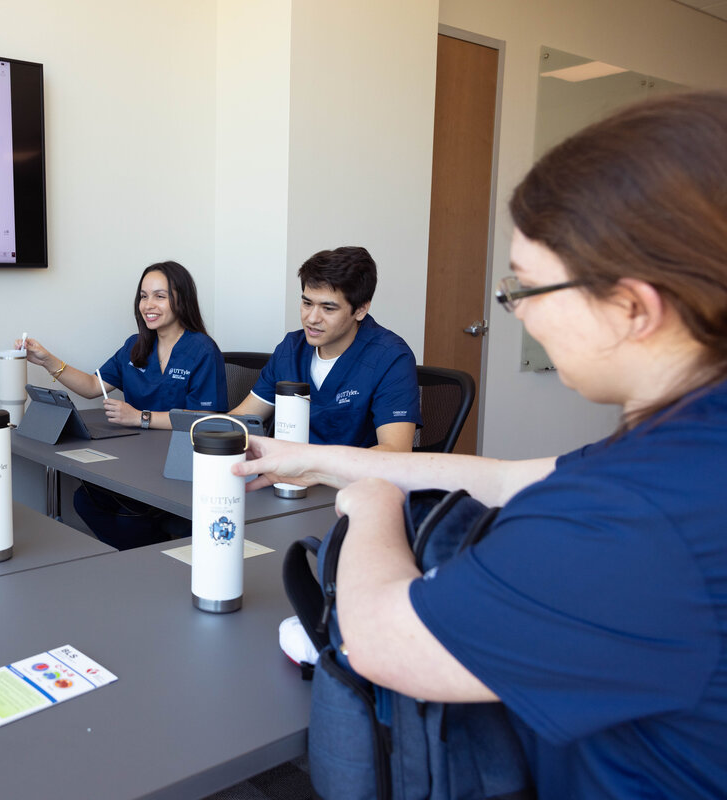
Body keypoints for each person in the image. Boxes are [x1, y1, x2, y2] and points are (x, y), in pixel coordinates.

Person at [235, 91, 727, 798]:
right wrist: (311, 458)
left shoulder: (637, 520)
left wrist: (372, 501)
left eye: (526, 287)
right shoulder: (686, 446)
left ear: (631, 306)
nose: (517, 311)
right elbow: (503, 478)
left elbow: (380, 638)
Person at [20, 261, 227, 548]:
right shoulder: (136, 345)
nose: (148, 305)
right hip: (136, 460)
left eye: (159, 296)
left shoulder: (202, 350)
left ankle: (158, 555)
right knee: (86, 499)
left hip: (180, 466)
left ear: (182, 299)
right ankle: (149, 555)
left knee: (126, 514)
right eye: (143, 296)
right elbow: (94, 386)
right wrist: (48, 361)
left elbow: (203, 418)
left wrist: (140, 417)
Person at [230, 247, 420, 451]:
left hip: (353, 479)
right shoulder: (291, 349)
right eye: (307, 303)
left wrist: (315, 466)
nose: (311, 318)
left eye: (328, 308)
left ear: (361, 309)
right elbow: (242, 419)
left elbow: (395, 450)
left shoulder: (390, 357)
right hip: (287, 477)